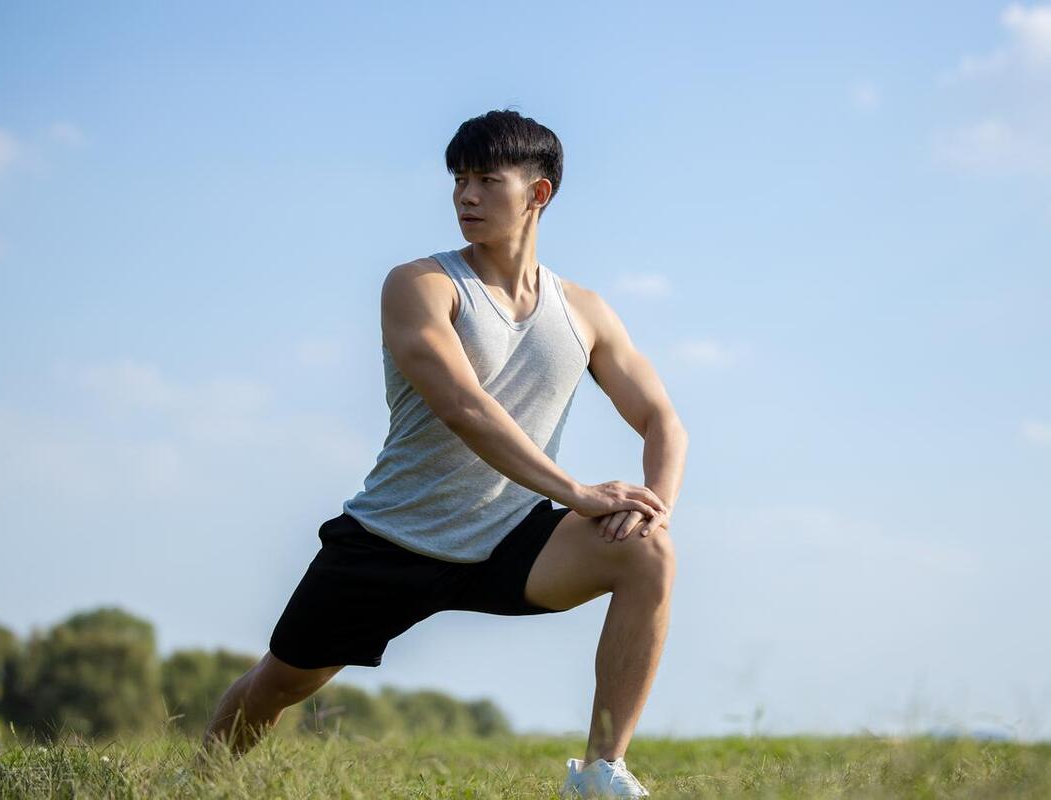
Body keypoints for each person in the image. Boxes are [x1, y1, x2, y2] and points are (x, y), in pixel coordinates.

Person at [199, 109, 688, 797]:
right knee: (279, 684)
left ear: (538, 194)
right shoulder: (420, 285)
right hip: (393, 538)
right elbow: (464, 408)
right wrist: (579, 493)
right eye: (459, 179)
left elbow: (663, 419)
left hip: (511, 540)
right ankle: (198, 783)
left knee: (649, 552)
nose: (466, 195)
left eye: (488, 179)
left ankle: (601, 773)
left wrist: (653, 507)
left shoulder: (584, 310)